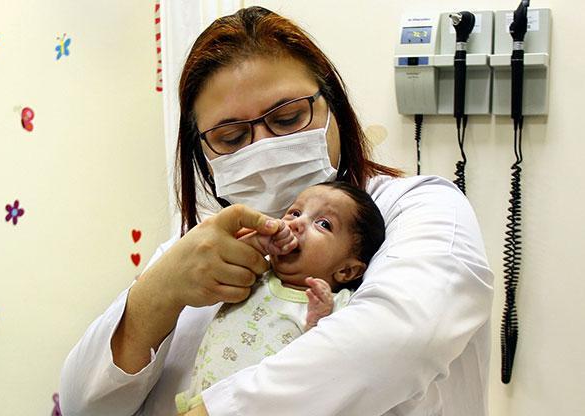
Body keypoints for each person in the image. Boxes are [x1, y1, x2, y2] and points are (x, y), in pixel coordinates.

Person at [60, 6, 493, 416]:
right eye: (230, 137)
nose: (264, 146)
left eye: (287, 119)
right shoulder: (193, 252)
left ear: (334, 109)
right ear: (204, 154)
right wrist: (159, 293)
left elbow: (402, 340)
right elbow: (84, 405)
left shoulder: (418, 207)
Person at [175, 181, 386, 414]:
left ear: (346, 271)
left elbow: (329, 359)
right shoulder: (255, 273)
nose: (296, 223)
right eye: (295, 212)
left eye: (323, 224)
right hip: (202, 402)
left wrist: (318, 320)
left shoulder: (336, 302)